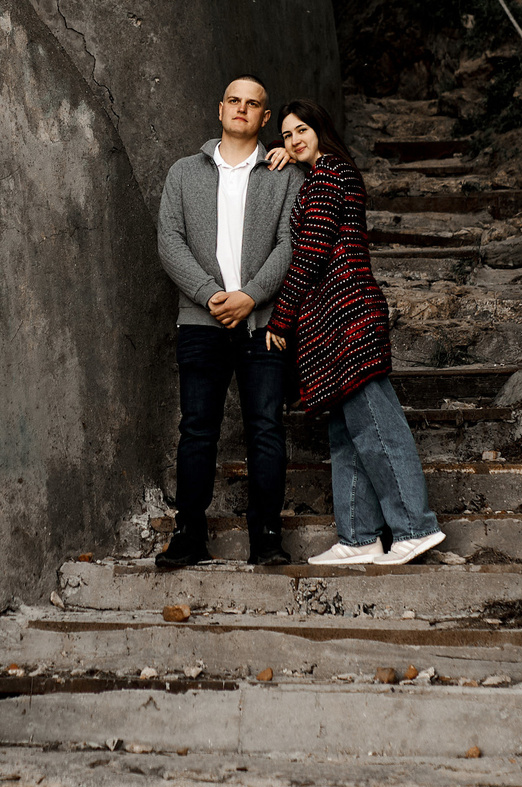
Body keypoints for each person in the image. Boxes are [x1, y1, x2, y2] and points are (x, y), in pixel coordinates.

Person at [263, 101, 444, 566]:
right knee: (347, 432)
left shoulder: (328, 175)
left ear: (322, 128)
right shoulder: (325, 173)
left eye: (302, 129)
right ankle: (359, 536)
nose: (295, 139)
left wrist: (281, 317)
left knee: (377, 424)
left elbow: (311, 253)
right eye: (286, 135)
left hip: (347, 316)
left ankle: (414, 526)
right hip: (333, 319)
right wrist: (283, 156)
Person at [155, 77, 304, 569]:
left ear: (265, 119)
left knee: (266, 428)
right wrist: (211, 295)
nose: (242, 109)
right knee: (197, 428)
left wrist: (250, 297)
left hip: (263, 323)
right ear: (220, 109)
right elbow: (169, 242)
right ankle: (189, 534)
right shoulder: (182, 172)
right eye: (234, 101)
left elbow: (291, 244)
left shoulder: (284, 175)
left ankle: (265, 536)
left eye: (253, 104)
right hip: (201, 321)